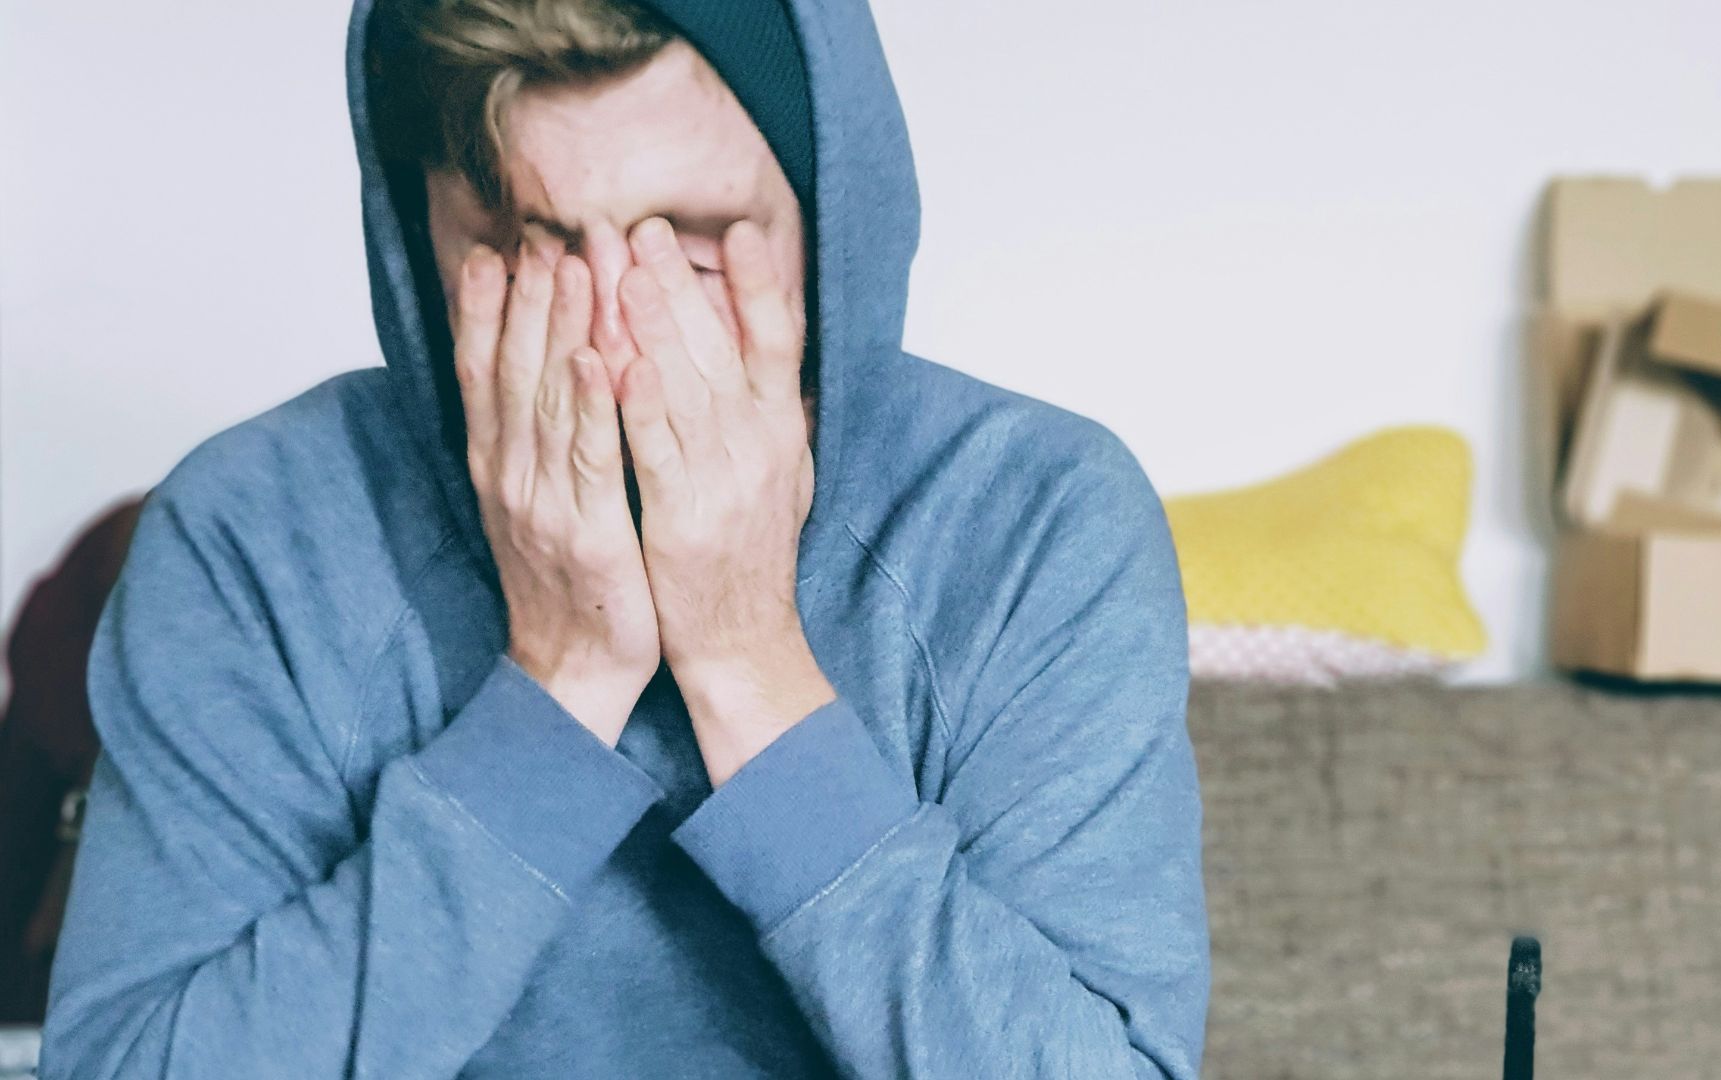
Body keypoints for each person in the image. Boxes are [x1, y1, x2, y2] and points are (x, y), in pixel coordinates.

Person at [38, 0, 1211, 1076]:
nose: (610, 341)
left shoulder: (1038, 519)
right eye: (527, 250)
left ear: (828, 218)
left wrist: (750, 665)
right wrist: (558, 684)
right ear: (418, 236)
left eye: (692, 250)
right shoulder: (253, 532)